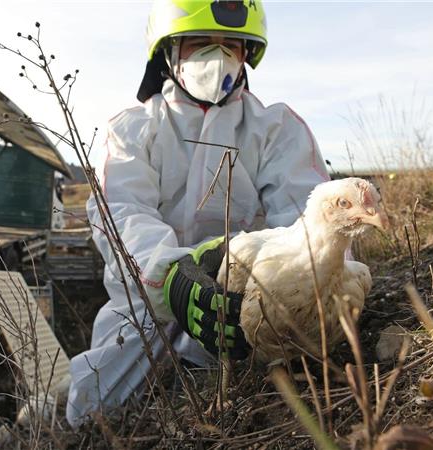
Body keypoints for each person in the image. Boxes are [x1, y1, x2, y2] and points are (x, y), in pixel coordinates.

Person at [66, 0, 329, 426]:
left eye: (230, 45)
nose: (218, 56)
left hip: (243, 304)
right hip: (147, 310)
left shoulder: (276, 130)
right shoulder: (132, 130)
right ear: (169, 52)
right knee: (93, 411)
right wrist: (170, 280)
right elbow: (122, 212)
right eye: (201, 42)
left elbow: (310, 219)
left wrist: (273, 290)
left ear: (247, 53)